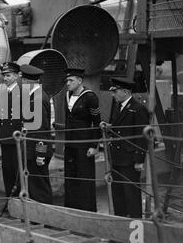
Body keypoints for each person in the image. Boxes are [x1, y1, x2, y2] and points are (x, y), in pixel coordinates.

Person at [107, 77, 149, 218]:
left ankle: (136, 231)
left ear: (124, 92)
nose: (113, 95)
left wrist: (139, 160)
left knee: (132, 195)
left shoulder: (138, 109)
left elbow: (143, 136)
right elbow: (117, 127)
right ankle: (121, 226)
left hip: (130, 159)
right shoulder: (118, 107)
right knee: (118, 194)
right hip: (117, 159)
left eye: (115, 92)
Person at [62, 68, 101, 212]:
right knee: (70, 176)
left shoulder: (90, 97)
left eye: (71, 80)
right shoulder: (67, 95)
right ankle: (71, 208)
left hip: (84, 144)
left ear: (80, 80)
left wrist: (94, 145)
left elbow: (97, 122)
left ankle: (87, 209)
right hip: (70, 143)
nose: (68, 83)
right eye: (67, 80)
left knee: (84, 176)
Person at [20, 64, 53, 204]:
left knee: (40, 186)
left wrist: (40, 154)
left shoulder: (38, 99)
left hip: (36, 151)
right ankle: (36, 217)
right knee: (33, 185)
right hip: (31, 149)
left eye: (23, 81)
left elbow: (42, 131)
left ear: (28, 81)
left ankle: (45, 217)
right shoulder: (34, 96)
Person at [0, 62, 23, 200]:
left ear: (17, 75)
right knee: (7, 171)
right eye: (4, 76)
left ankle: (20, 202)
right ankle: (10, 201)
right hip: (6, 138)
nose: (5, 79)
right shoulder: (3, 93)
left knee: (17, 171)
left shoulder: (23, 93)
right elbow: (1, 117)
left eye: (8, 75)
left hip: (17, 139)